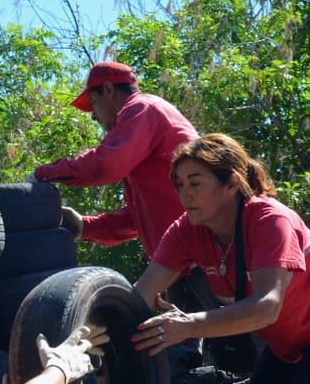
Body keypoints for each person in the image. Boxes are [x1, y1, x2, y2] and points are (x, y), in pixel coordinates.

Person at [131, 133, 310, 384]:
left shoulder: (270, 220)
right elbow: (140, 294)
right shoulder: (185, 230)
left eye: (195, 183)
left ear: (232, 183)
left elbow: (265, 308)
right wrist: (90, 334)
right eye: (180, 184)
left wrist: (188, 325)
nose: (185, 194)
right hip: (285, 340)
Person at [31, 61, 199, 258]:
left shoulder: (142, 108)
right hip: (182, 263)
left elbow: (104, 166)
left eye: (93, 103)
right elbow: (136, 219)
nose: (93, 116)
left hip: (202, 257)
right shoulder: (144, 124)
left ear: (109, 89)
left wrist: (42, 174)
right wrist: (84, 226)